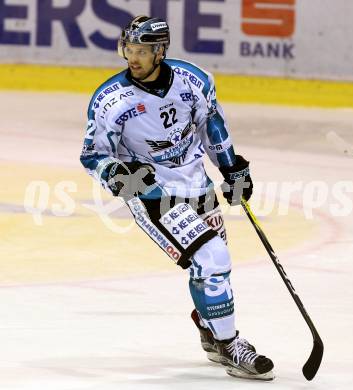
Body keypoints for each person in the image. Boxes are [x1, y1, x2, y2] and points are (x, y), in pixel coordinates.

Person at [80, 15, 274, 381]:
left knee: (213, 268)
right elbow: (93, 154)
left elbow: (210, 124)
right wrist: (116, 173)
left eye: (141, 51)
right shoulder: (110, 100)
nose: (132, 58)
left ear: (160, 51)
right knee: (212, 258)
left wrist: (232, 167)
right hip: (152, 191)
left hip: (197, 183)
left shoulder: (194, 80)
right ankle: (231, 345)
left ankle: (211, 331)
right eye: (129, 49)